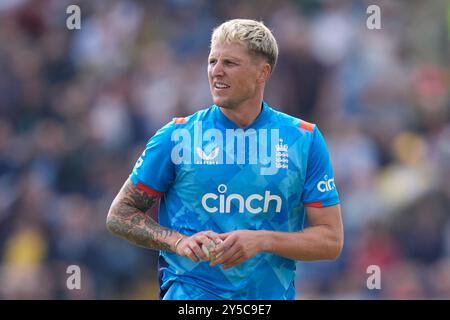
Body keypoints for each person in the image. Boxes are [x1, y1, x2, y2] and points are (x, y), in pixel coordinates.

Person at [106, 19, 343, 300]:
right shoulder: (178, 136)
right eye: (212, 61)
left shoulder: (303, 139)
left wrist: (263, 240)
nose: (216, 72)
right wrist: (177, 241)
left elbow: (330, 239)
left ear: (262, 72)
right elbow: (119, 215)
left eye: (230, 63)